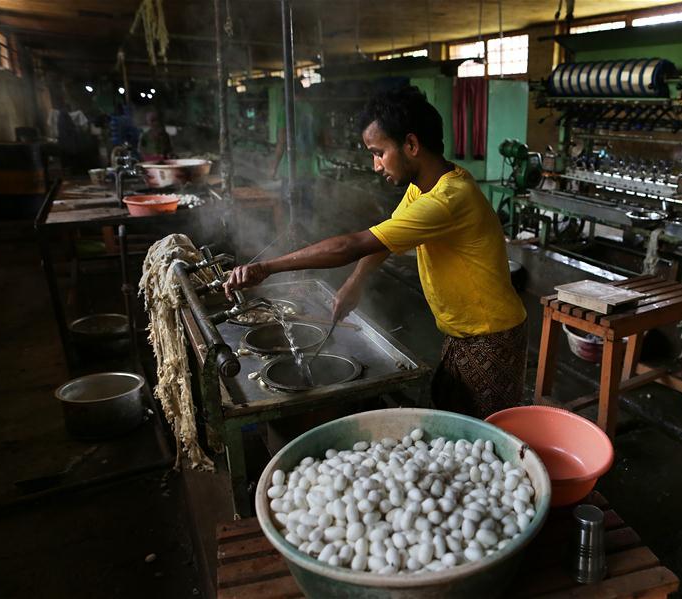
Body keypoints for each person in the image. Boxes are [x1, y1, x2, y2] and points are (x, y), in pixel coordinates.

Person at [226, 86, 528, 418]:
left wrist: (266, 267)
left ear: (411, 145)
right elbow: (387, 236)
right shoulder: (424, 187)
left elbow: (350, 246)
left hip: (491, 337)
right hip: (461, 333)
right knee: (453, 414)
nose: (375, 165)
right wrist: (356, 282)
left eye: (378, 152)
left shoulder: (448, 199)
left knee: (486, 434)